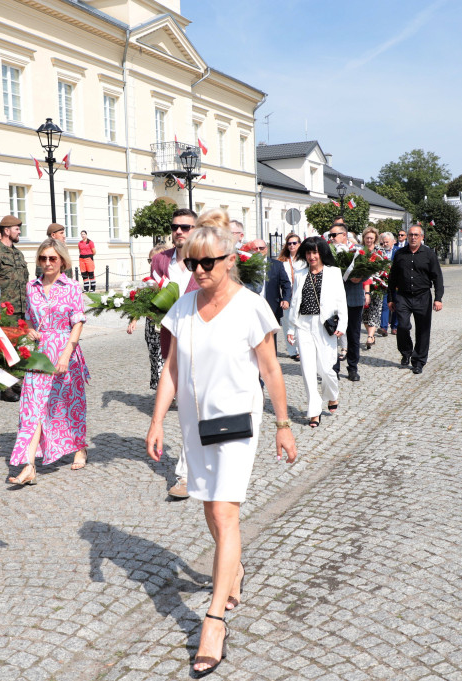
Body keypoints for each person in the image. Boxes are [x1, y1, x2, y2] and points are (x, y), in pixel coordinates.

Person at [145, 225, 297, 677]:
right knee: (210, 510)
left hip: (236, 425)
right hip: (196, 426)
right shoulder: (183, 307)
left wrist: (284, 425)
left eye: (207, 262)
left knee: (226, 514)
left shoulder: (251, 307)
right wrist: (157, 421)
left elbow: (270, 370)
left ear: (230, 259)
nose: (199, 270)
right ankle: (235, 570)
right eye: (192, 263)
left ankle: (213, 621)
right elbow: (170, 369)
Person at [8, 239, 89, 484]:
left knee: (69, 403)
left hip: (65, 349)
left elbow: (78, 322)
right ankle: (29, 465)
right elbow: (30, 318)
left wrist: (66, 354)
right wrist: (30, 330)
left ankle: (79, 446)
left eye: (52, 258)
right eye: (43, 258)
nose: (47, 263)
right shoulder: (31, 286)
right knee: (32, 407)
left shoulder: (72, 286)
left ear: (62, 261)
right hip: (40, 354)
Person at [129, 207, 198, 499]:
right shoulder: (160, 260)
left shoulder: (207, 259)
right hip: (172, 341)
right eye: (175, 227)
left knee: (199, 406)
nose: (179, 231)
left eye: (185, 227)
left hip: (204, 342)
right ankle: (187, 470)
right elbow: (151, 294)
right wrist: (138, 312)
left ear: (196, 230)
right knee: (185, 407)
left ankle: (190, 468)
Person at [287, 237, 346, 427]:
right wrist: (290, 328)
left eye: (315, 252)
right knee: (308, 370)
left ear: (322, 253)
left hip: (324, 325)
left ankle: (332, 394)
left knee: (327, 369)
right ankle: (314, 411)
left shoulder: (334, 273)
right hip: (303, 324)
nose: (312, 256)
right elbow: (295, 302)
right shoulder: (300, 273)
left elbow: (341, 301)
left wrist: (342, 325)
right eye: (309, 252)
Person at [0, 215, 29, 402]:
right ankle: (4, 387)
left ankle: (15, 381)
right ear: (6, 231)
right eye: (17, 228)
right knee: (3, 349)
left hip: (20, 309)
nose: (19, 231)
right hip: (3, 310)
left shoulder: (18, 254)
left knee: (18, 347)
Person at [387, 224, 444, 375]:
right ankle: (406, 352)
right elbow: (392, 278)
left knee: (423, 330)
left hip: (422, 296)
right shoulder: (400, 254)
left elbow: (437, 277)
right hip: (403, 296)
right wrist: (390, 298)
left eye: (416, 235)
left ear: (422, 237)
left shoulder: (429, 254)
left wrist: (438, 298)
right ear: (407, 236)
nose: (413, 237)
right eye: (410, 235)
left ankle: (418, 361)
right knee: (403, 326)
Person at [328, 218, 362, 381]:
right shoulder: (327, 252)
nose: (332, 237)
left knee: (353, 335)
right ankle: (334, 368)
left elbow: (366, 271)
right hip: (333, 300)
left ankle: (353, 368)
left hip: (353, 297)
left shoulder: (357, 250)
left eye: (335, 234)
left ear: (345, 235)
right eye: (330, 234)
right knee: (333, 333)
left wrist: (360, 277)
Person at [142, 244, 169, 390]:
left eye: (154, 260)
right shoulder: (147, 281)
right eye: (150, 260)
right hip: (151, 327)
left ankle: (167, 391)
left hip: (166, 326)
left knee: (163, 360)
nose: (152, 264)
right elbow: (139, 304)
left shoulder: (169, 282)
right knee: (155, 358)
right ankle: (163, 390)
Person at [273, 233, 302, 360]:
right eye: (289, 243)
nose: (292, 245)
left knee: (300, 322)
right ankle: (292, 350)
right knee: (287, 322)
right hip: (287, 295)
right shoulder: (282, 260)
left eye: (294, 243)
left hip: (300, 294)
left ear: (299, 244)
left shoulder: (304, 259)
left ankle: (301, 347)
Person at [360, 227, 387, 350]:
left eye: (371, 238)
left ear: (375, 239)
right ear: (364, 238)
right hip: (361, 286)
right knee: (365, 314)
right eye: (367, 238)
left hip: (376, 286)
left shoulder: (380, 251)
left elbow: (385, 267)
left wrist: (377, 277)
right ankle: (371, 334)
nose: (369, 240)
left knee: (375, 311)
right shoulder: (359, 251)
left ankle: (370, 336)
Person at [263, 240, 292, 352]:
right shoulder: (248, 265)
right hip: (253, 306)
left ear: (266, 249)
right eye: (255, 248)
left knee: (271, 337)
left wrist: (286, 299)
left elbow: (285, 283)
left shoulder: (277, 265)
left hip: (271, 305)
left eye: (261, 248)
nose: (258, 251)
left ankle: (271, 364)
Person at [378, 232, 396, 336]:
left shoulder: (398, 251)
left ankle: (394, 326)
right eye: (383, 242)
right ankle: (383, 327)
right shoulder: (380, 252)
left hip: (395, 282)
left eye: (387, 242)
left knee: (396, 304)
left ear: (393, 241)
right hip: (384, 282)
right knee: (385, 305)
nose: (385, 244)